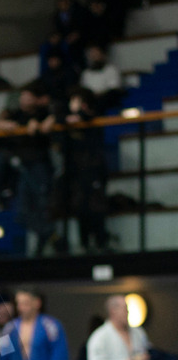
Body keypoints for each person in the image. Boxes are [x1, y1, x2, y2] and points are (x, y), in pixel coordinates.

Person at [0, 85, 57, 256]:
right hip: (24, 168)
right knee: (21, 213)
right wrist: (3, 123)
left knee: (43, 206)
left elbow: (56, 116)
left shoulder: (43, 113)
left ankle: (44, 244)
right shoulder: (16, 115)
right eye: (22, 97)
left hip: (40, 166)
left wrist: (45, 122)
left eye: (28, 97)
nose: (24, 100)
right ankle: (50, 233)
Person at [64, 87, 110, 252]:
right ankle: (84, 244)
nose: (72, 104)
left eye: (75, 101)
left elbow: (90, 120)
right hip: (77, 171)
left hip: (95, 169)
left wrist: (80, 115)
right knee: (80, 207)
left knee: (96, 207)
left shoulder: (93, 118)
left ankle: (101, 242)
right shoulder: (67, 120)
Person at [0, 287, 69, 360]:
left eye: (25, 303)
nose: (21, 307)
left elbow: (59, 358)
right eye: (19, 303)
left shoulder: (51, 326)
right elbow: (3, 359)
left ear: (37, 303)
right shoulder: (9, 329)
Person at [79, 46, 125, 112]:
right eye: (92, 55)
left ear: (102, 55)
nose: (94, 57)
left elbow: (115, 87)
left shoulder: (111, 69)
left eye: (96, 54)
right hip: (91, 98)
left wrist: (99, 94)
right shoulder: (86, 73)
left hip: (107, 97)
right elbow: (84, 88)